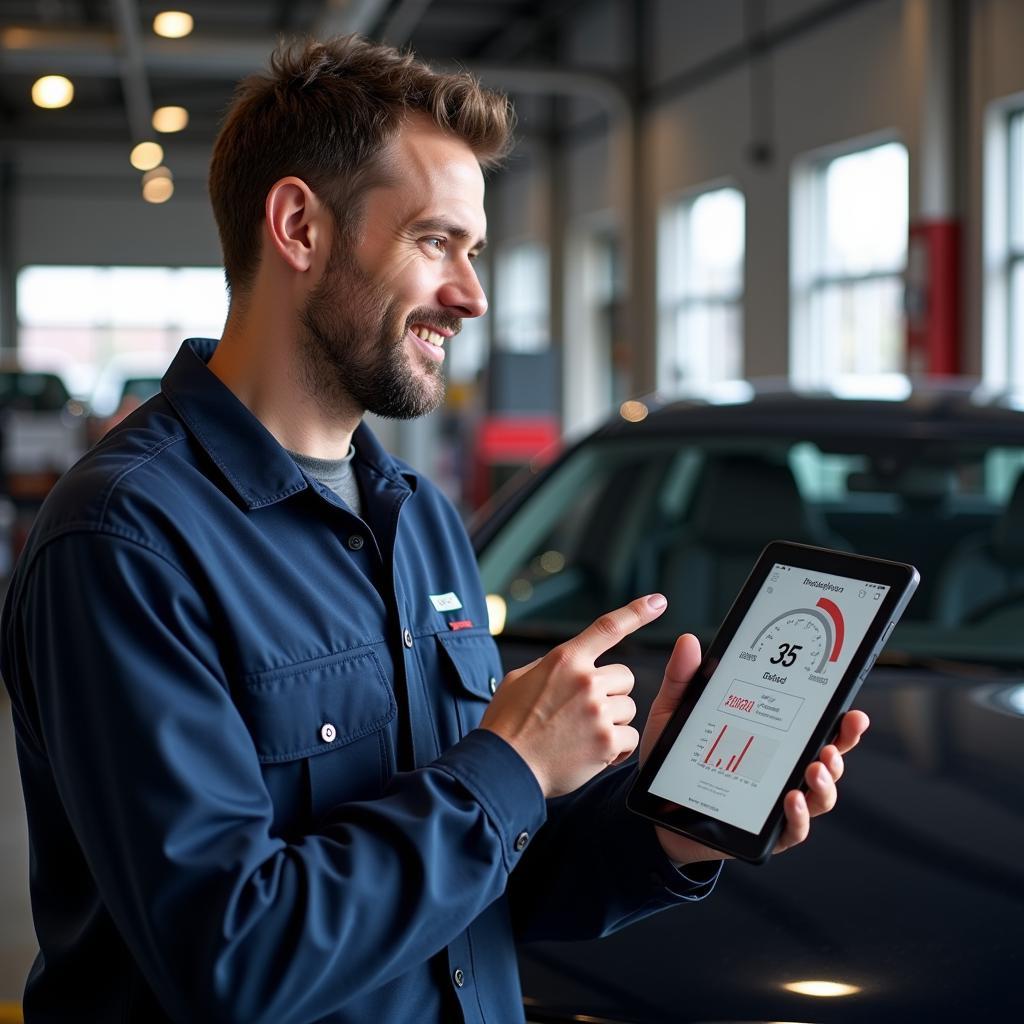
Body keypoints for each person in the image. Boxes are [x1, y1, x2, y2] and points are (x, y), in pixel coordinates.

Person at [0, 35, 868, 1024]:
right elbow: (231, 958)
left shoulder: (416, 520)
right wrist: (511, 766)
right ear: (298, 226)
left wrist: (671, 826)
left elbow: (476, 897)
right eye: (434, 241)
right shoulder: (125, 541)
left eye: (473, 249)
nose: (472, 294)